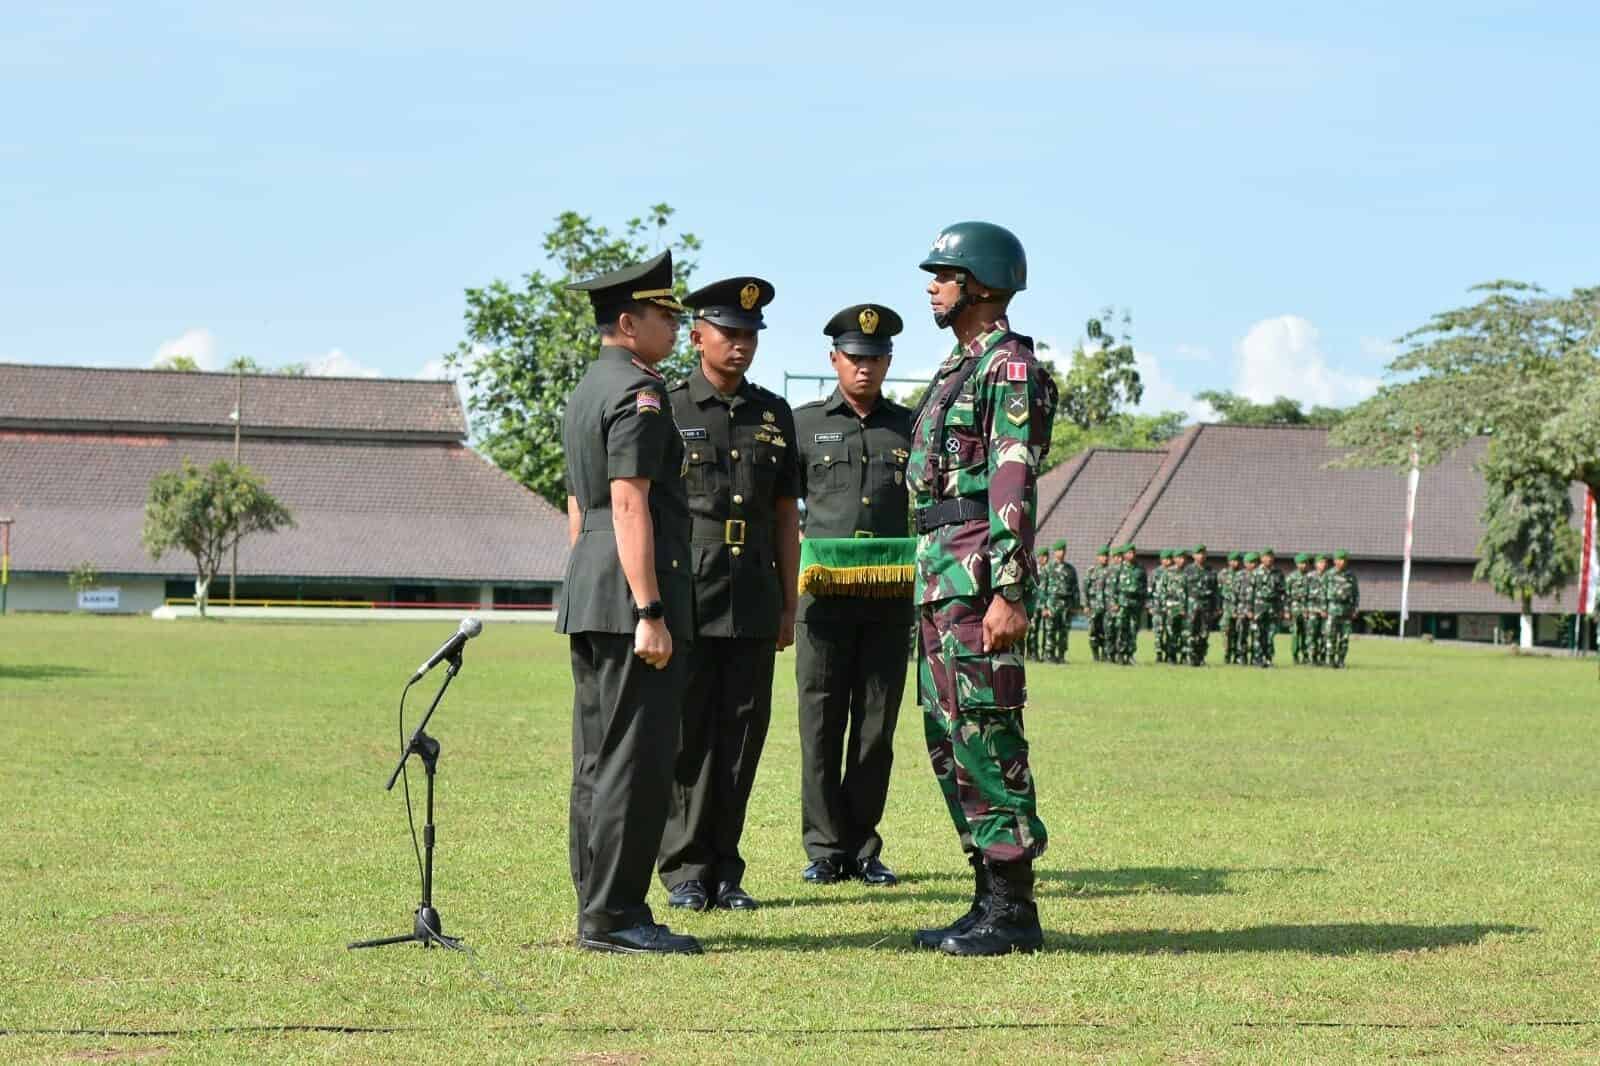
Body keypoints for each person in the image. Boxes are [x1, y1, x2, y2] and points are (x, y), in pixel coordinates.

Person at [907, 221, 1057, 956]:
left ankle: (1013, 909)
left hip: (976, 580)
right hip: (941, 577)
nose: (931, 284)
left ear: (982, 285)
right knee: (951, 739)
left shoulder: (1010, 369)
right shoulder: (956, 369)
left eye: (944, 273)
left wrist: (1009, 591)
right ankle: (984, 896)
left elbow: (1012, 484)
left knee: (988, 734)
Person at [557, 251, 701, 955]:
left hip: (591, 589)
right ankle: (614, 915)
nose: (674, 326)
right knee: (634, 760)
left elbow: (578, 507)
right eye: (663, 315)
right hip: (630, 597)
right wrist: (649, 610)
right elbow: (627, 500)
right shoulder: (640, 395)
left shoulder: (588, 389)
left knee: (595, 756)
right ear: (627, 322)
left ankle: (597, 899)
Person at [657, 275, 801, 913]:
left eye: (750, 336)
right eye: (729, 334)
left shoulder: (774, 413)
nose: (741, 346)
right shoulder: (666, 405)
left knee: (742, 735)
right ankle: (684, 868)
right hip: (689, 588)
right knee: (688, 734)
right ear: (697, 338)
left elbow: (785, 513)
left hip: (753, 592)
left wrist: (790, 600)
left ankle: (725, 867)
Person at [792, 303, 914, 888]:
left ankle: (863, 846)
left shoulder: (909, 429)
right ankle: (824, 848)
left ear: (888, 361)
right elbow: (774, 508)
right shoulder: (803, 424)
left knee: (874, 728)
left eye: (875, 358)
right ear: (833, 359)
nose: (864, 368)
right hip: (821, 605)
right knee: (818, 723)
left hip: (889, 602)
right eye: (854, 358)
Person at [1325, 550, 1361, 667]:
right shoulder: (1329, 575)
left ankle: (1341, 661)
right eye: (1338, 560)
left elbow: (1356, 594)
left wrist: (1355, 609)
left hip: (1347, 610)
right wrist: (1323, 609)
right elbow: (1322, 592)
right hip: (1332, 609)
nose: (1341, 562)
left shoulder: (1351, 576)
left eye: (1343, 560)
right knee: (1331, 636)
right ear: (1334, 561)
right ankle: (1330, 660)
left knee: (1344, 638)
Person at [1045, 540, 1079, 663]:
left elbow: (1075, 589)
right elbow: (1042, 588)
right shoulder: (1048, 568)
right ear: (1054, 552)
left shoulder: (1070, 569)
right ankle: (1049, 656)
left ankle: (1061, 656)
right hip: (1052, 603)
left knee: (1064, 632)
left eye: (1064, 550)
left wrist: (1076, 605)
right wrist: (1044, 607)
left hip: (1066, 604)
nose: (1062, 552)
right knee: (1051, 630)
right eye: (1059, 550)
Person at [1113, 544, 1147, 664]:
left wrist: (1143, 603)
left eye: (1133, 552)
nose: (1131, 555)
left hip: (1135, 604)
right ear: (1124, 555)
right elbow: (1113, 588)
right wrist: (1115, 603)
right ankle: (1121, 655)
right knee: (1122, 628)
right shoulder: (1119, 569)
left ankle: (1130, 654)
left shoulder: (1140, 569)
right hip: (1122, 603)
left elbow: (1144, 587)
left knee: (1133, 629)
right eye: (1128, 553)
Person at [1185, 545, 1217, 666]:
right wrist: (1183, 607)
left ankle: (1201, 657)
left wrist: (1216, 607)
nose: (1201, 556)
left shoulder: (1211, 571)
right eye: (1198, 553)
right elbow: (1183, 590)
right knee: (1191, 632)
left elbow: (1215, 591)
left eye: (1203, 553)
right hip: (1192, 605)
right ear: (1193, 556)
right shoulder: (1188, 570)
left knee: (1204, 633)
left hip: (1207, 605)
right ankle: (1191, 657)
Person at [1254, 548, 1285, 667]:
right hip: (1259, 607)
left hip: (1273, 608)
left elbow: (1282, 593)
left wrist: (1282, 609)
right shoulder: (1256, 573)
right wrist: (1249, 609)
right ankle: (1258, 658)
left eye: (1271, 556)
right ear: (1261, 559)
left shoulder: (1278, 573)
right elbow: (1249, 593)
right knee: (1258, 634)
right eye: (1266, 557)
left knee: (1270, 635)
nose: (1269, 559)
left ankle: (1268, 658)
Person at [1085, 546, 1110, 662]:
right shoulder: (1091, 571)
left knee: (1106, 631)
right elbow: (1085, 589)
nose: (1104, 558)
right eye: (1102, 556)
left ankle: (1105, 655)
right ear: (1098, 557)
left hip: (1107, 607)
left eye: (1106, 556)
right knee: (1093, 631)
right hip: (1094, 607)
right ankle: (1095, 655)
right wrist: (1086, 605)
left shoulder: (1111, 571)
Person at [1286, 553, 1311, 665]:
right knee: (1295, 634)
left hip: (1308, 609)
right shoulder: (1291, 577)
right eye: (1301, 563)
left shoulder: (1311, 577)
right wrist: (1286, 610)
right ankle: (1295, 656)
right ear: (1296, 564)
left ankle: (1306, 655)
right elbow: (1286, 595)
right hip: (1295, 609)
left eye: (1305, 563)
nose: (1303, 565)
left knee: (1307, 634)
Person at [1235, 552, 1259, 665]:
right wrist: (1237, 610)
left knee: (1256, 634)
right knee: (1241, 634)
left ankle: (1255, 657)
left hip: (1256, 610)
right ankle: (1242, 656)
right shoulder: (1240, 576)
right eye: (1250, 562)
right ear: (1245, 563)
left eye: (1254, 562)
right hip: (1242, 610)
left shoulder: (1259, 575)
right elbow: (1234, 594)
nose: (1252, 565)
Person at [1306, 554, 1329, 666]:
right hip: (1313, 610)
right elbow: (1304, 594)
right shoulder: (1310, 576)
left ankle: (1323, 658)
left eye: (1324, 562)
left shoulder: (1330, 576)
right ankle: (1312, 658)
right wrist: (1305, 609)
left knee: (1325, 635)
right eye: (1320, 562)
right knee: (1312, 634)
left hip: (1327, 611)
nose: (1323, 565)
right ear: (1316, 564)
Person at [1026, 548, 1049, 661]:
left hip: (1044, 605)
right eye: (1042, 556)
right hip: (1033, 605)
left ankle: (1044, 653)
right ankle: (1032, 653)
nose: (1044, 558)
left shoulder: (1049, 570)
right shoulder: (1033, 570)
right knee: (1032, 630)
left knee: (1046, 630)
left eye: (1045, 556)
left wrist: (1046, 605)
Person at [1219, 552, 1240, 664]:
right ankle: (1227, 654)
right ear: (1228, 562)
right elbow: (1218, 592)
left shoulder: (1242, 574)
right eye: (1232, 560)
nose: (1234, 563)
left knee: (1238, 632)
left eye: (1236, 560)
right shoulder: (1223, 574)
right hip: (1227, 608)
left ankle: (1237, 655)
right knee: (1226, 632)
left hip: (1239, 609)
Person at [1151, 550, 1171, 663]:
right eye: (1164, 559)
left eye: (1169, 559)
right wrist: (1150, 606)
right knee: (1158, 632)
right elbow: (1150, 590)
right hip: (1158, 607)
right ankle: (1158, 653)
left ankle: (1169, 654)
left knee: (1170, 631)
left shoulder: (1174, 572)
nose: (1167, 561)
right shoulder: (1155, 573)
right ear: (1161, 560)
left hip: (1170, 608)